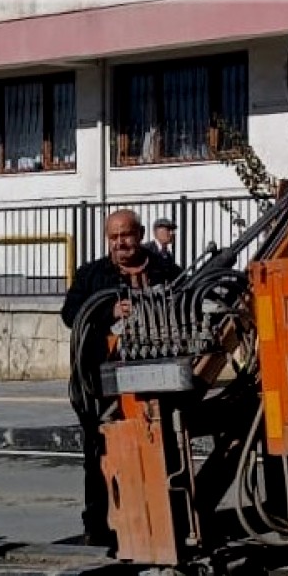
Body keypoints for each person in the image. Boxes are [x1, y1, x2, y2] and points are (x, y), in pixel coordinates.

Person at [60, 209, 181, 548]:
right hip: (102, 380)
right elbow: (70, 314)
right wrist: (108, 311)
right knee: (100, 454)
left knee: (161, 448)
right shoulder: (92, 275)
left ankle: (160, 523)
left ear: (140, 234)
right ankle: (99, 526)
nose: (120, 243)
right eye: (113, 237)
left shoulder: (166, 270)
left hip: (154, 379)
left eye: (126, 235)